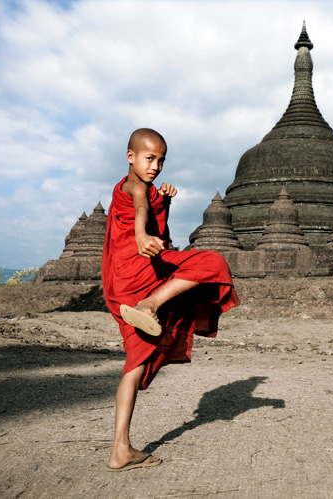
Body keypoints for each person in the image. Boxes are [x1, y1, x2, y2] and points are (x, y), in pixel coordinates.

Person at [101, 128, 241, 472]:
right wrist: (140, 232)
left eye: (162, 160)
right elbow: (139, 208)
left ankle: (121, 448)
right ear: (130, 156)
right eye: (149, 158)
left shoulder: (148, 189)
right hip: (137, 277)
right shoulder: (134, 187)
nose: (156, 166)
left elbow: (158, 227)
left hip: (128, 278)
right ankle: (150, 304)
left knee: (135, 361)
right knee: (214, 262)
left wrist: (166, 202)